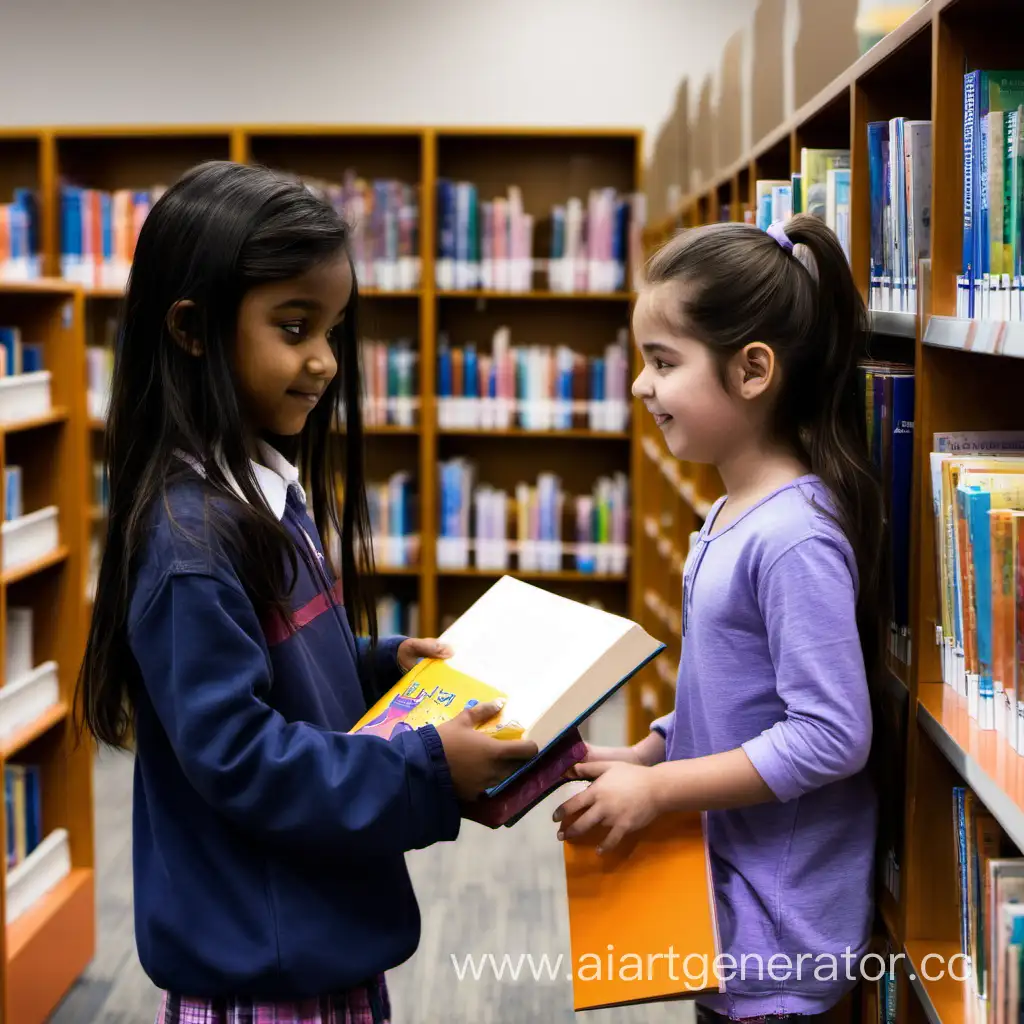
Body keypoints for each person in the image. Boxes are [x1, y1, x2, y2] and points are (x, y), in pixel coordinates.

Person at [75, 160, 538, 1024]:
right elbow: (246, 759)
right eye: (295, 328)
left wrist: (376, 664)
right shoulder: (191, 545)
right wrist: (428, 769)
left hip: (317, 930)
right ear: (192, 329)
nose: (325, 361)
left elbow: (280, 663)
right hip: (261, 968)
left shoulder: (264, 499)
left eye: (333, 329)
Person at [554, 215, 886, 1022]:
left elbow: (831, 733)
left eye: (663, 363)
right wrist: (649, 748)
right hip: (727, 915)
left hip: (779, 941)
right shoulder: (731, 512)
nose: (641, 385)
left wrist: (661, 789)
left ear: (752, 371)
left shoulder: (793, 536)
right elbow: (738, 693)